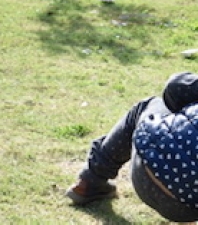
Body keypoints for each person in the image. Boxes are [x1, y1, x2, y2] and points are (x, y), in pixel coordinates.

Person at [66, 71, 198, 222]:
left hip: (145, 170)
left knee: (150, 106)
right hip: (187, 208)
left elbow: (175, 86)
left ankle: (90, 182)